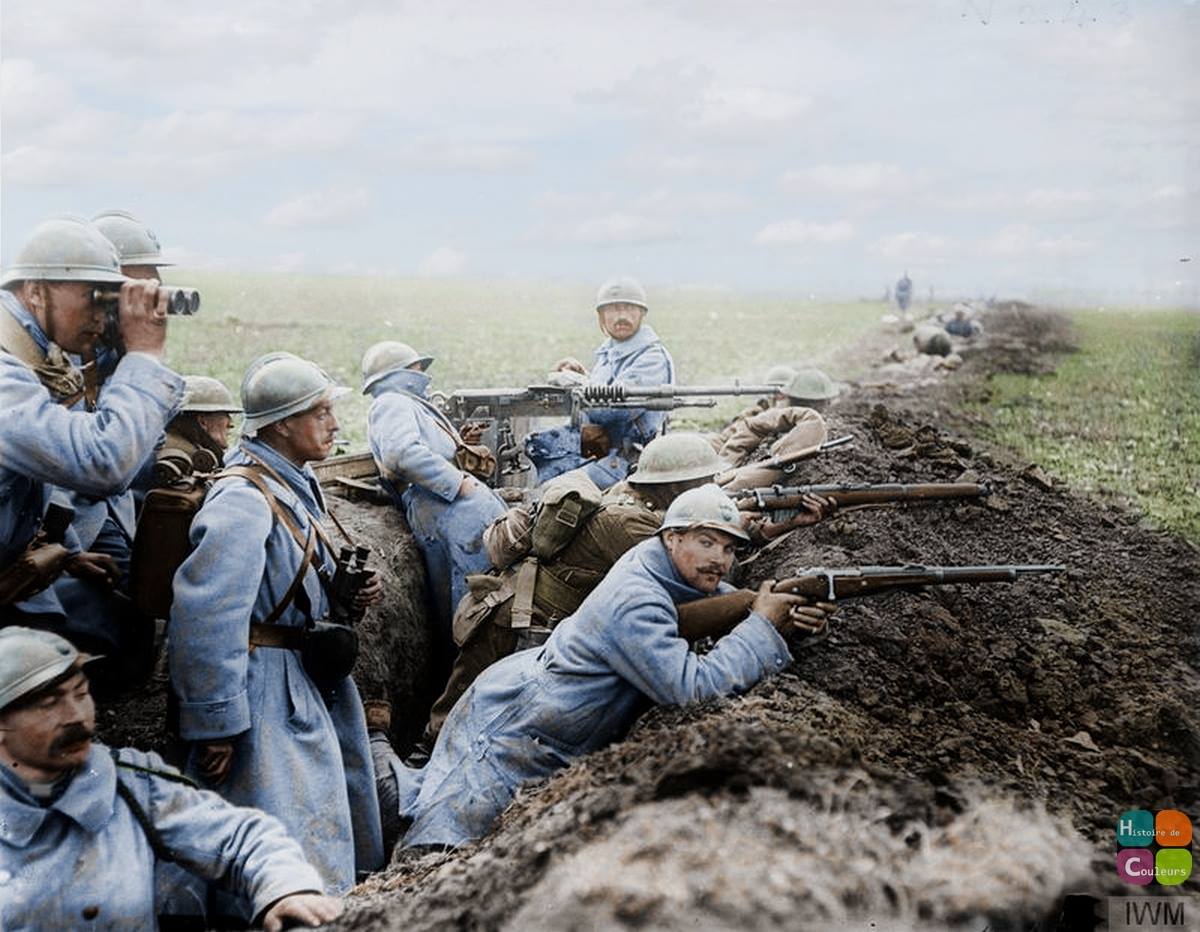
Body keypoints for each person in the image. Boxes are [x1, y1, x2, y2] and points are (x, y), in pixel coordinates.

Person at [389, 484, 834, 848]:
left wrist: (776, 617)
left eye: (728, 548)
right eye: (705, 541)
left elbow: (709, 604)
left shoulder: (658, 564)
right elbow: (692, 688)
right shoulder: (636, 598)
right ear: (671, 537)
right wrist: (762, 628)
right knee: (444, 837)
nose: (719, 558)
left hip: (534, 702)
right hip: (520, 725)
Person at [168, 353, 384, 913]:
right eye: (320, 412)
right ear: (281, 424)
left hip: (301, 676)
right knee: (281, 834)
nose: (335, 424)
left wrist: (343, 593)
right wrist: (215, 724)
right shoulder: (243, 497)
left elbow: (292, 573)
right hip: (265, 690)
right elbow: (207, 616)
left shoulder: (293, 483)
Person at [0, 626, 343, 930]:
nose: (77, 716)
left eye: (81, 693)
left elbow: (239, 837)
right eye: (49, 704)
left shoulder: (131, 786)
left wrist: (284, 886)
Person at [0, 216, 184, 649]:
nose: (104, 319)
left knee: (129, 634)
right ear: (35, 291)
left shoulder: (37, 355)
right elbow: (102, 462)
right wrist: (144, 356)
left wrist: (65, 555)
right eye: (95, 299)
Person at [363, 340, 508, 677]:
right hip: (445, 508)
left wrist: (459, 443)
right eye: (416, 368)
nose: (421, 374)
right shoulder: (393, 402)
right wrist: (458, 482)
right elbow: (400, 453)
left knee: (479, 592)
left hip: (451, 509)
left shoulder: (408, 404)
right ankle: (469, 676)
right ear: (402, 373)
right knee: (473, 598)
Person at [527, 276, 675, 489]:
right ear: (601, 317)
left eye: (629, 309)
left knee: (560, 491)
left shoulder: (651, 358)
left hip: (627, 459)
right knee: (536, 446)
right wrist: (582, 376)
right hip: (598, 445)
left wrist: (576, 385)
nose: (622, 316)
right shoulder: (611, 351)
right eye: (614, 309)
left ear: (641, 314)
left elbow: (613, 410)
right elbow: (605, 390)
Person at [154, 375, 243, 484]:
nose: (231, 424)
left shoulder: (167, 443)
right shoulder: (184, 460)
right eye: (225, 415)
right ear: (202, 422)